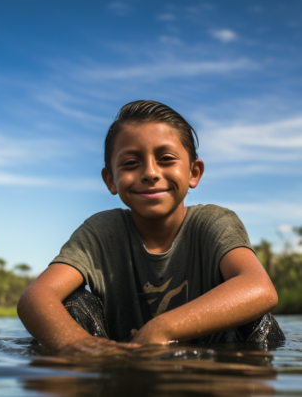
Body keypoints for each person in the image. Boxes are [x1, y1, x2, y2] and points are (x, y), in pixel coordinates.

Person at [17, 100, 284, 354]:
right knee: (71, 304)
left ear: (193, 172)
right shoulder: (101, 231)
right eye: (131, 163)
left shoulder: (214, 222)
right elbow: (36, 297)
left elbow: (259, 288)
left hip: (207, 365)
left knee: (258, 320)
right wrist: (81, 347)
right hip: (119, 363)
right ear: (110, 180)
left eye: (166, 159)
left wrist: (162, 329)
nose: (150, 173)